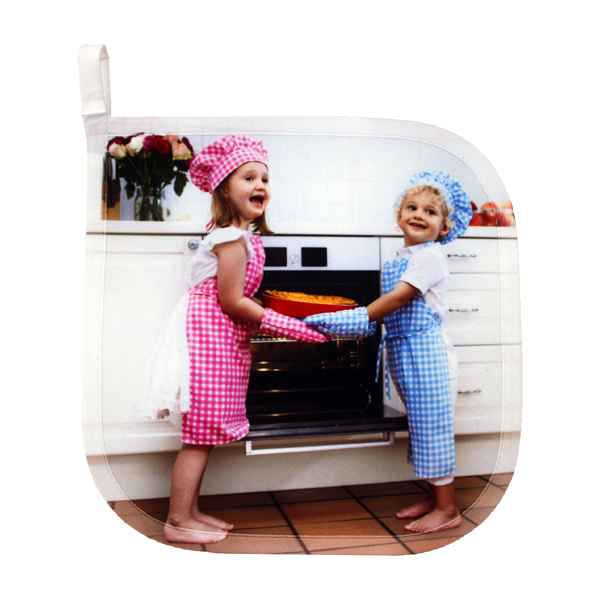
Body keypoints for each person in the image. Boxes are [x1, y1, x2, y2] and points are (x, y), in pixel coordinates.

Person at [139, 135, 328, 544]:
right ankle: (177, 520)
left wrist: (274, 312)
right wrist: (295, 328)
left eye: (265, 178)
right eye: (248, 177)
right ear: (225, 188)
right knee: (198, 437)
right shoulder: (230, 238)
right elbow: (232, 301)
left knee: (202, 435)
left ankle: (190, 512)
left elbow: (239, 297)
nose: (260, 184)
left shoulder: (242, 237)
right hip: (209, 339)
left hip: (220, 340)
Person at [304, 171, 472, 534]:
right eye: (412, 207)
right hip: (405, 351)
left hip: (426, 353)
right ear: (399, 216)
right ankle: (434, 499)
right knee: (421, 425)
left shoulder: (430, 256)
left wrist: (350, 319)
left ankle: (448, 509)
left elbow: (397, 299)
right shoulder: (402, 257)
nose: (419, 215)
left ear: (444, 227)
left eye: (430, 212)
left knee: (433, 428)